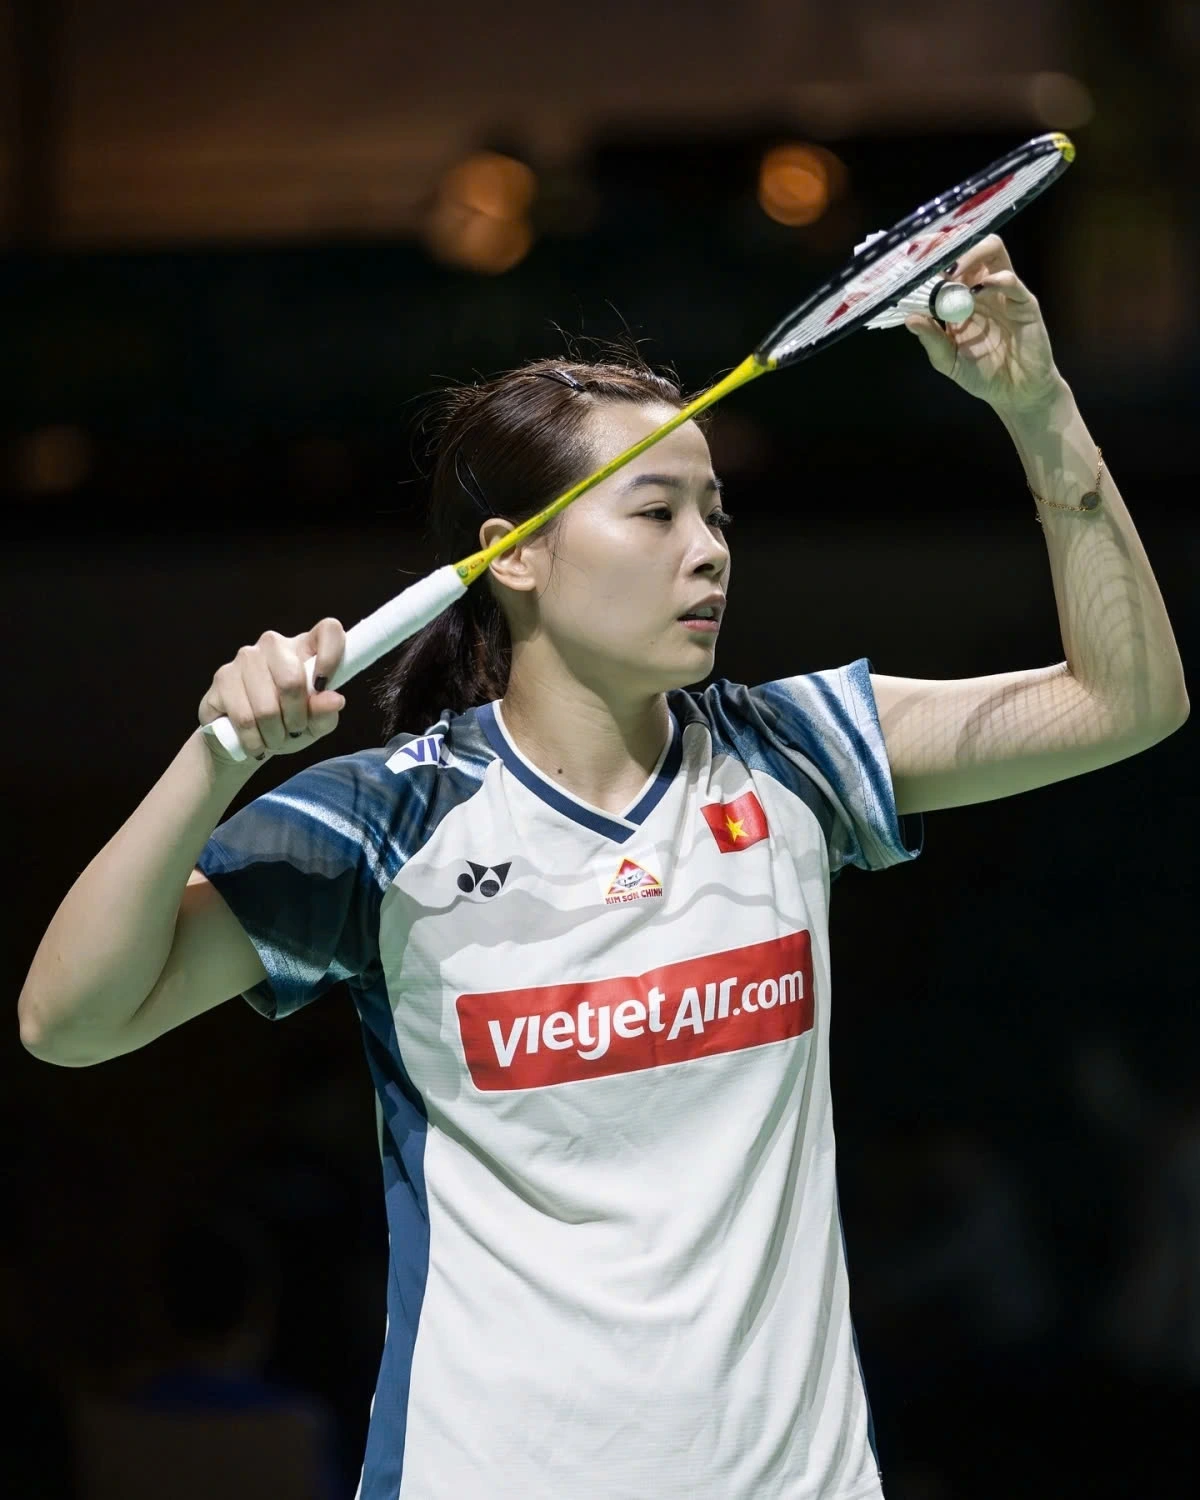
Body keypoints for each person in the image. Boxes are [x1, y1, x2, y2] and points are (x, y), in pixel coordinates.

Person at [18, 234, 1188, 1499]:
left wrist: (1039, 408)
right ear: (515, 553)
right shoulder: (391, 821)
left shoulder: (795, 755)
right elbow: (70, 1024)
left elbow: (1125, 703)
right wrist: (217, 755)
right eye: (656, 511)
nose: (710, 548)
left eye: (716, 512)